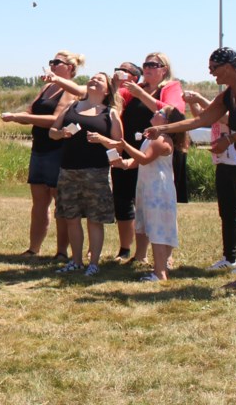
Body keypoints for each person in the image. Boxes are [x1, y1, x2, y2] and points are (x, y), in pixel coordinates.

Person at [147, 48, 236, 298]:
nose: (210, 71)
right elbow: (200, 121)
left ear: (231, 66)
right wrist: (165, 129)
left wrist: (231, 139)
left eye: (214, 67)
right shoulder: (229, 95)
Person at [1, 51, 83, 260]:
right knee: (38, 204)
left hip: (58, 150)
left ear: (70, 68)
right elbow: (31, 112)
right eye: (51, 62)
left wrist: (22, 117)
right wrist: (17, 117)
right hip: (39, 149)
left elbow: (56, 119)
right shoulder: (46, 88)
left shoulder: (70, 91)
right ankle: (33, 248)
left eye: (58, 62)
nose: (52, 65)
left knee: (60, 203)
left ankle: (62, 252)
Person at [91, 106, 188, 282]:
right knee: (153, 228)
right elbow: (138, 160)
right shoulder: (152, 138)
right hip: (148, 188)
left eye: (160, 113)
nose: (155, 113)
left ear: (166, 122)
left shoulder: (162, 140)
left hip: (158, 191)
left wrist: (124, 144)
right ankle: (161, 268)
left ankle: (160, 273)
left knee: (157, 230)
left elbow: (145, 158)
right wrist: (123, 163)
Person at [48, 73, 122, 277]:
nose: (94, 80)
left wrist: (101, 140)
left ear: (107, 90)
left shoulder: (110, 113)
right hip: (69, 170)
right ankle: (76, 261)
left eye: (100, 79)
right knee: (71, 217)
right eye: (92, 78)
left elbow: (119, 144)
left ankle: (94, 263)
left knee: (94, 219)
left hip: (96, 172)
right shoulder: (71, 106)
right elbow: (52, 132)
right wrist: (61, 133)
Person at [113, 53, 185, 264]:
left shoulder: (171, 87)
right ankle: (139, 254)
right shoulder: (138, 88)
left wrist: (139, 94)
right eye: (145, 64)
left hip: (160, 152)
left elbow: (173, 113)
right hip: (137, 151)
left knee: (161, 209)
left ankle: (166, 258)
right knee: (139, 206)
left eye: (154, 64)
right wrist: (117, 85)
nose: (148, 67)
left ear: (164, 69)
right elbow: (114, 101)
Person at [184, 90, 236, 274]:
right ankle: (229, 258)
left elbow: (226, 118)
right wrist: (192, 103)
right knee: (227, 212)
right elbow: (203, 117)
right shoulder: (221, 100)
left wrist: (200, 99)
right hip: (223, 162)